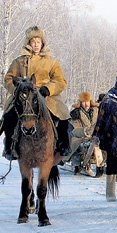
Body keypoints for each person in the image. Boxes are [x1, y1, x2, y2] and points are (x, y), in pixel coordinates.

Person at [1, 26, 69, 160]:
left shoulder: (51, 62)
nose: (36, 45)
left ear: (42, 43)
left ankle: (63, 145)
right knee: (9, 116)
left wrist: (48, 89)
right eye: (33, 42)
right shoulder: (19, 61)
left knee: (62, 116)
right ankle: (9, 147)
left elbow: (60, 80)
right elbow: (8, 78)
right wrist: (16, 90)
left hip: (46, 96)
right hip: (23, 95)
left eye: (39, 42)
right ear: (29, 43)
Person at [93, 76, 117, 201]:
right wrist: (98, 134)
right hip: (111, 134)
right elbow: (101, 117)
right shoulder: (109, 98)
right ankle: (110, 192)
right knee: (112, 163)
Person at [66, 92, 103, 176]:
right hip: (82, 138)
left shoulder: (97, 111)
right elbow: (75, 131)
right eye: (83, 102)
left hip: (97, 137)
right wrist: (87, 130)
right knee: (78, 146)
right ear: (80, 103)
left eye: (87, 102)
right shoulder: (76, 114)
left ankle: (103, 164)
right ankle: (78, 165)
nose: (86, 104)